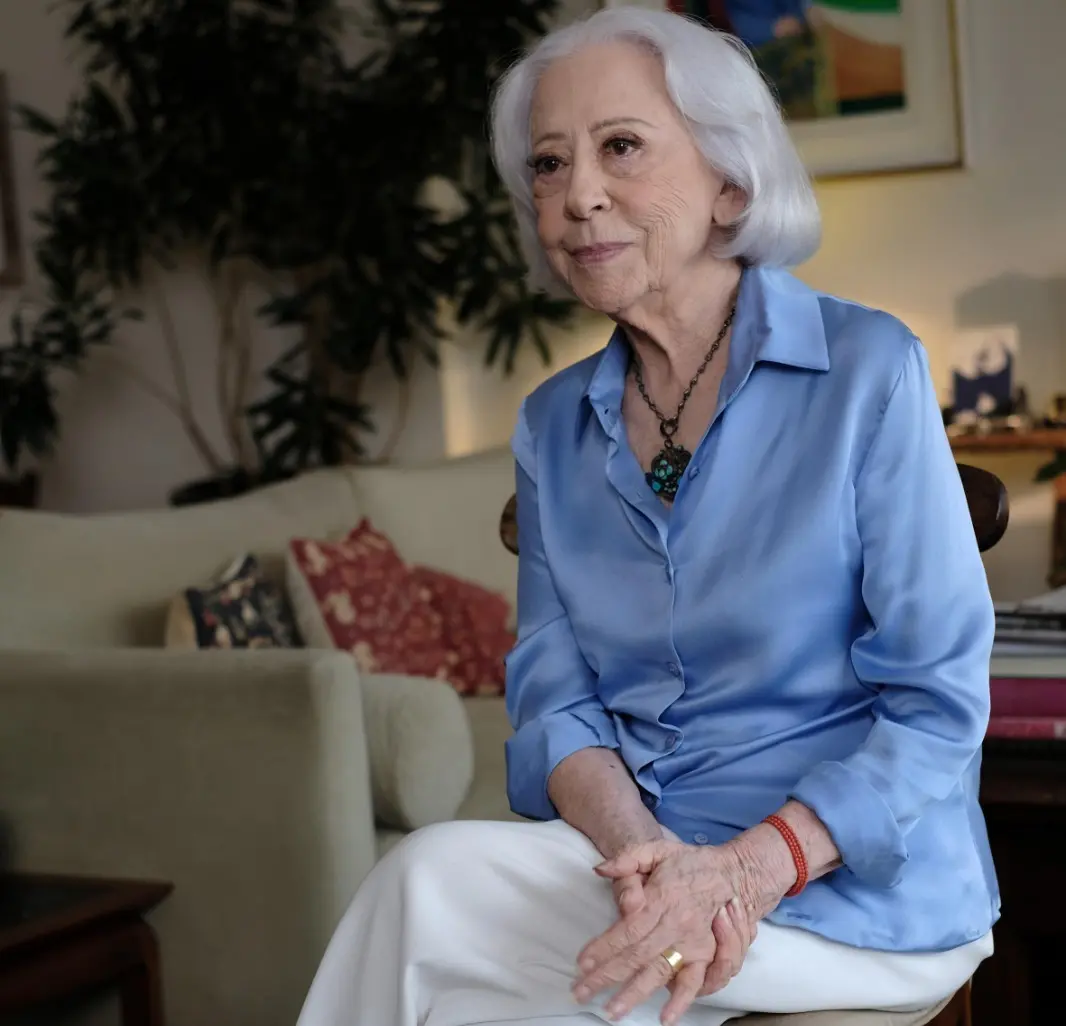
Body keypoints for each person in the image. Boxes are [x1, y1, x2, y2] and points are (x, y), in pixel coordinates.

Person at [295, 7, 998, 1026]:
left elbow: (937, 701)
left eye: (620, 147)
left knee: (427, 895)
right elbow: (554, 695)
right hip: (642, 867)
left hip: (850, 889)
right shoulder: (549, 426)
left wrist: (743, 872)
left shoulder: (866, 371)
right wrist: (642, 860)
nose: (577, 195)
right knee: (449, 939)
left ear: (728, 179)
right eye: (546, 164)